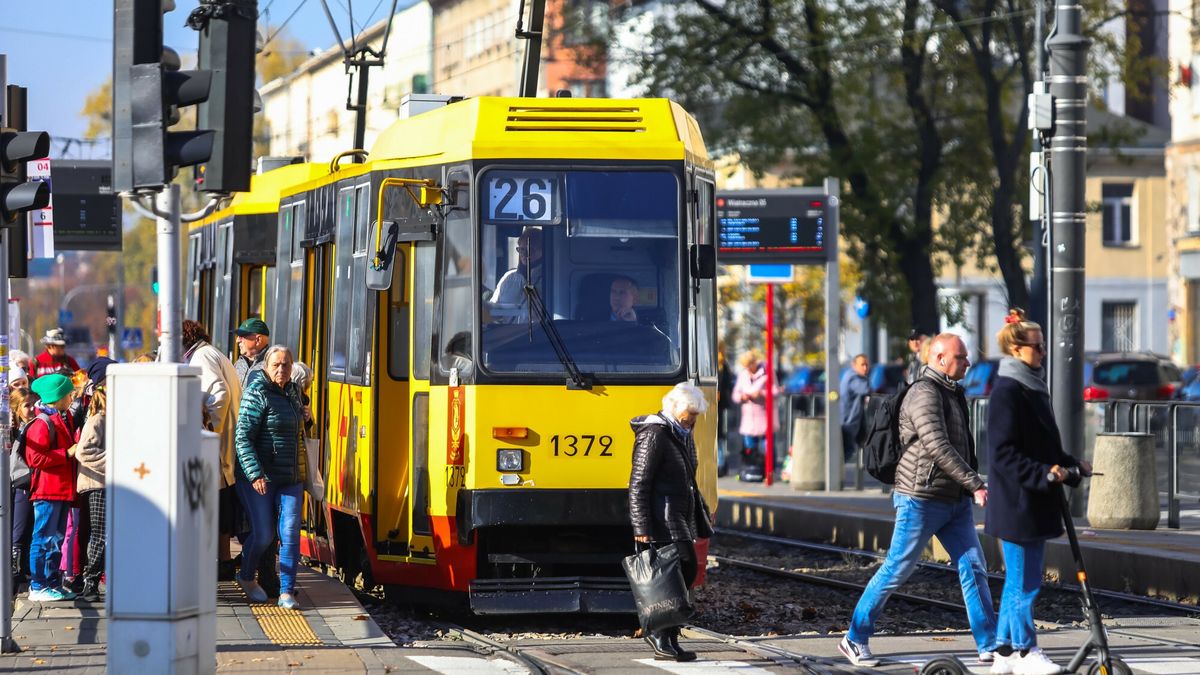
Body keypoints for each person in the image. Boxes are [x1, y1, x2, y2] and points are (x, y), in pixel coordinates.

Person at [840, 333, 995, 667]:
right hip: (920, 498)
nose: (968, 363)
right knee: (896, 569)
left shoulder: (952, 392)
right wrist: (975, 484)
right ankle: (854, 638)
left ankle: (989, 644)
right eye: (961, 357)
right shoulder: (924, 393)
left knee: (974, 568)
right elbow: (937, 446)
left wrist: (966, 488)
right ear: (940, 358)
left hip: (953, 501)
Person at [986, 310, 1090, 675]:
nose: (1043, 352)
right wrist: (1043, 473)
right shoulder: (1008, 391)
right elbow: (1001, 452)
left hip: (1032, 502)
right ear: (1017, 349)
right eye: (1038, 347)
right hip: (1017, 503)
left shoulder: (1031, 386)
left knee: (1019, 581)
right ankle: (1026, 652)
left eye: (1043, 346)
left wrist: (1071, 464)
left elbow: (1045, 445)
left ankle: (1002, 652)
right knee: (1025, 583)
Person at [629, 382, 713, 662]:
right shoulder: (654, 434)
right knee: (671, 579)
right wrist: (641, 527)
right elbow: (639, 483)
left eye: (696, 414)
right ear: (674, 408)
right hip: (660, 519)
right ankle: (659, 636)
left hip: (678, 516)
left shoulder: (680, 434)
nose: (693, 419)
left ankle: (670, 638)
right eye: (690, 413)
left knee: (685, 573)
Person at [234, 345, 308, 610]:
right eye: (276, 364)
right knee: (264, 534)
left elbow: (295, 429)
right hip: (259, 477)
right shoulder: (257, 393)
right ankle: (245, 576)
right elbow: (242, 437)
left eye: (286, 364)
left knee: (289, 532)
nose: (281, 369)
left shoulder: (293, 391)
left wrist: (305, 419)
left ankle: (287, 592)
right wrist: (255, 473)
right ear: (266, 366)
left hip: (290, 476)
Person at [182, 320, 244, 581]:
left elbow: (218, 393)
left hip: (217, 447)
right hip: (223, 445)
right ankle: (224, 562)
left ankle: (221, 562)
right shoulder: (210, 352)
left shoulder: (201, 356)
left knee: (214, 508)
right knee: (221, 508)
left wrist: (208, 433)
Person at [23, 373, 79, 602]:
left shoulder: (61, 417)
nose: (72, 397)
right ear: (58, 397)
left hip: (60, 488)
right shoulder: (42, 422)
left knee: (54, 538)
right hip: (48, 490)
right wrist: (65, 454)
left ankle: (51, 582)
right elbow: (34, 457)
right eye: (69, 394)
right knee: (44, 537)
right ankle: (38, 585)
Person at [75, 358, 113, 602]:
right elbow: (83, 451)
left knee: (105, 533)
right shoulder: (98, 417)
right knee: (100, 534)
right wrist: (115, 462)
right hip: (96, 484)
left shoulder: (107, 415)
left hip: (104, 482)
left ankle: (97, 579)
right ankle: (90, 582)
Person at [9, 387, 39, 585]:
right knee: (18, 529)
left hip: (33, 483)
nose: (30, 409)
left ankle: (24, 568)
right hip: (19, 484)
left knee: (30, 527)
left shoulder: (37, 425)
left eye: (33, 405)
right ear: (16, 409)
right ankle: (15, 569)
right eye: (26, 406)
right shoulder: (12, 430)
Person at [486, 226, 542, 324]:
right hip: (509, 337)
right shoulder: (508, 278)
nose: (524, 254)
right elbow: (493, 308)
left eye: (530, 249)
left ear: (542, 251)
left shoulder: (549, 280)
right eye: (521, 250)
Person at [732, 350, 768, 482]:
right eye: (745, 366)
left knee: (766, 447)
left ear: (754, 362)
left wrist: (762, 394)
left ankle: (767, 472)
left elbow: (775, 391)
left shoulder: (766, 373)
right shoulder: (743, 375)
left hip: (763, 415)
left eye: (749, 365)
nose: (747, 368)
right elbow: (735, 395)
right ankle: (752, 470)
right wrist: (742, 397)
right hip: (748, 417)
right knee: (750, 449)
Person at [840, 354, 871, 462]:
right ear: (854, 365)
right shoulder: (854, 378)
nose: (865, 368)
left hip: (848, 422)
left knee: (848, 451)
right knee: (846, 452)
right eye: (862, 365)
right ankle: (835, 478)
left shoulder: (849, 375)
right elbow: (865, 389)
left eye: (867, 365)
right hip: (848, 423)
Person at [234, 318, 271, 386]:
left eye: (242, 336)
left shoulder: (272, 365)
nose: (237, 340)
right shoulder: (239, 363)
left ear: (258, 340)